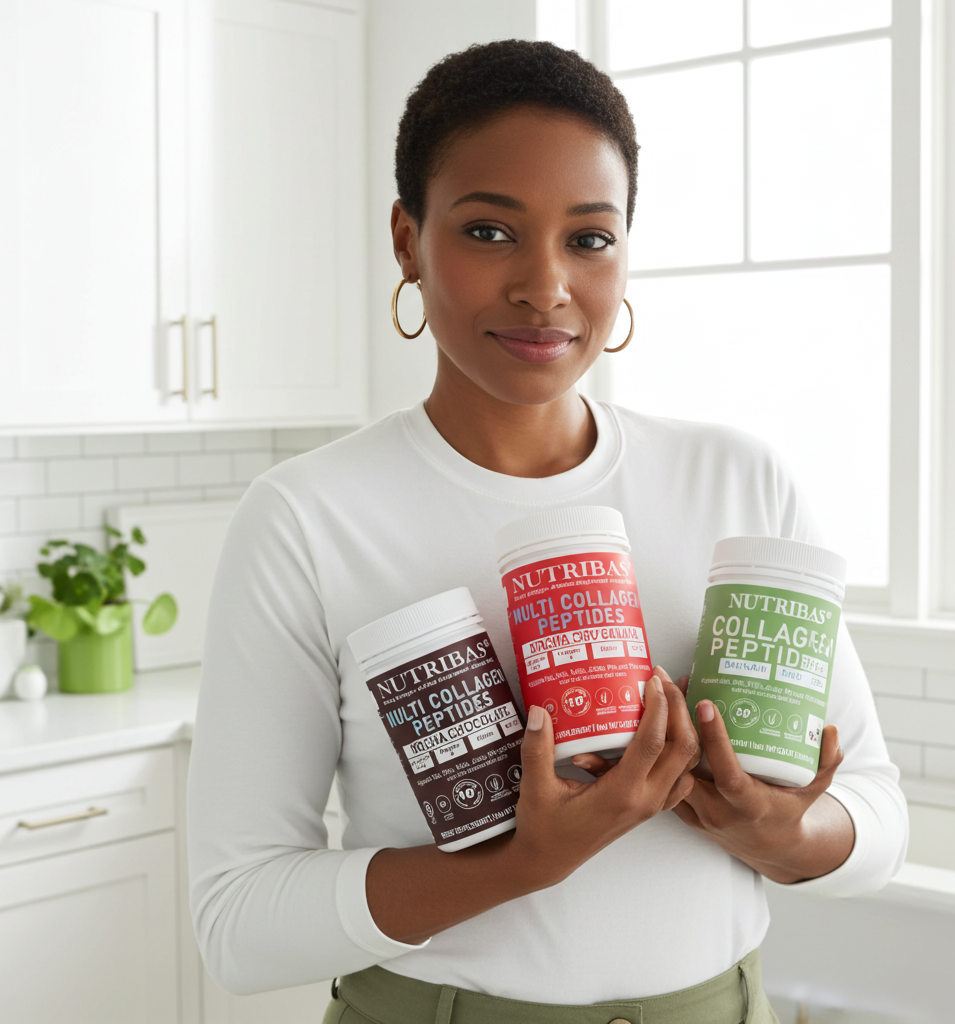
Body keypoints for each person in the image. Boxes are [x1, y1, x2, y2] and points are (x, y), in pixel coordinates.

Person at [188, 39, 908, 1024]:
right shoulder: (308, 516)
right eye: (489, 232)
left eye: (589, 238)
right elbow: (238, 922)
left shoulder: (739, 480)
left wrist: (775, 831)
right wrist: (525, 860)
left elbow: (874, 814)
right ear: (407, 239)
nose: (544, 285)